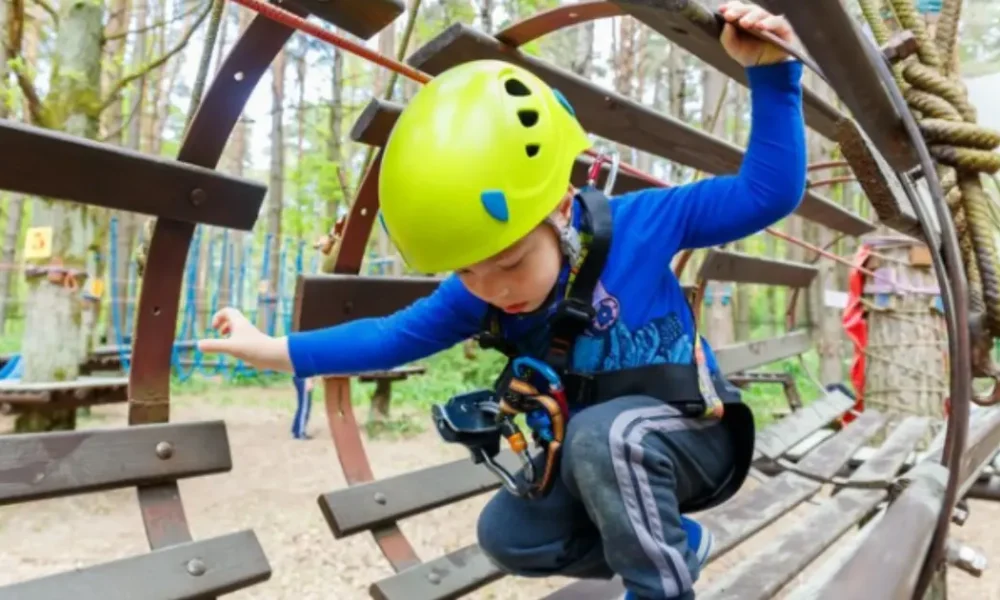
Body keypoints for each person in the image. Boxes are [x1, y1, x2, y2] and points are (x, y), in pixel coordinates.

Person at [197, 2, 807, 598]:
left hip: (694, 438)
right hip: (597, 461)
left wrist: (772, 76)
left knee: (602, 435)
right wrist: (270, 347)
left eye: (512, 262)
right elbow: (387, 337)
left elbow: (765, 193)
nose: (493, 288)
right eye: (469, 271)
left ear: (563, 211)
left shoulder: (645, 224)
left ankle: (659, 588)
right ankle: (677, 543)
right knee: (509, 535)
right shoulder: (478, 296)